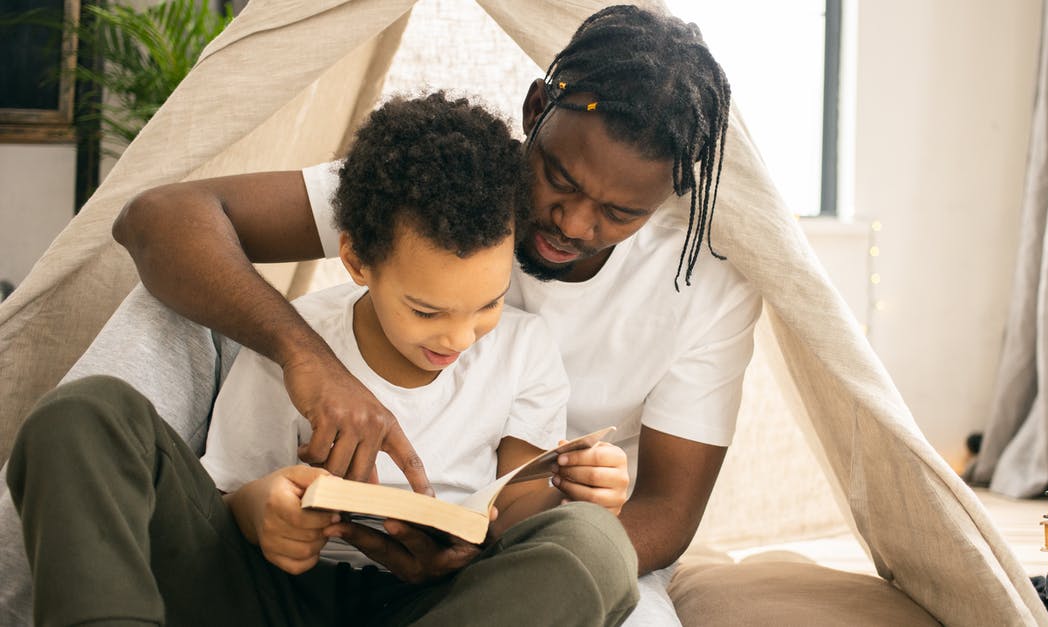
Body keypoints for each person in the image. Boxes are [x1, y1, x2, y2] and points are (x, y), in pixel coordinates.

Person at [111, 5, 760, 625]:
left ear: (668, 196)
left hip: (527, 549)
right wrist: (303, 353)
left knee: (600, 562)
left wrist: (491, 558)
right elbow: (157, 220)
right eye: (560, 178)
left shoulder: (708, 289)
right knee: (166, 300)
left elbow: (668, 512)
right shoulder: (443, 183)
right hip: (324, 549)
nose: (574, 221)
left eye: (619, 214)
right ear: (536, 110)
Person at [7, 93, 639, 626]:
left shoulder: (525, 351)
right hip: (269, 595)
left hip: (433, 608)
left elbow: (512, 521)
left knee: (597, 544)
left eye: (488, 304)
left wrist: (577, 492)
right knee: (82, 414)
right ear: (358, 261)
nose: (459, 337)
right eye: (426, 311)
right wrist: (268, 514)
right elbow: (227, 499)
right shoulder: (298, 338)